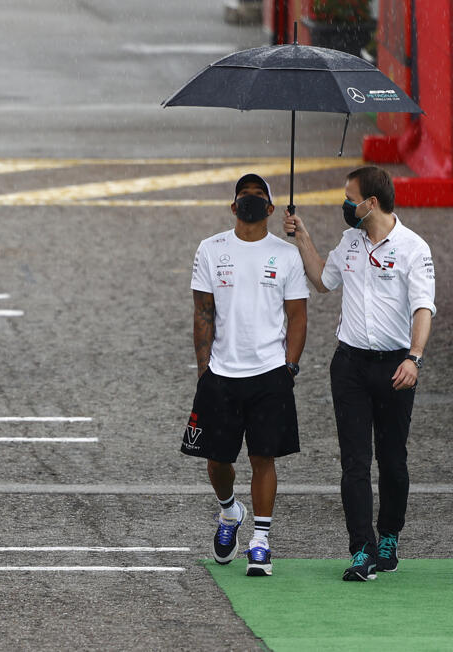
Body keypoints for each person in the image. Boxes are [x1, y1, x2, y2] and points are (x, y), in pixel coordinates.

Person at [283, 166, 435, 581]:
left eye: (350, 197)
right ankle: (361, 550)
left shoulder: (413, 249)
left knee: (392, 459)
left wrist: (414, 358)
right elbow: (321, 281)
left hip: (395, 367)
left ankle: (389, 535)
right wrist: (303, 238)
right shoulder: (350, 242)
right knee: (354, 463)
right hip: (349, 365)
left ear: (371, 203)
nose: (345, 203)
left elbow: (424, 308)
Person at [181, 173, 308, 577]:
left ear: (272, 209)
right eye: (244, 196)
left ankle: (261, 541)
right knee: (217, 463)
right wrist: (205, 371)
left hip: (270, 373)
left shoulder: (286, 255)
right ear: (233, 206)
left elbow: (298, 316)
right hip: (221, 374)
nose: (250, 201)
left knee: (262, 458)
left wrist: (288, 367)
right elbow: (203, 312)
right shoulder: (211, 249)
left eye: (258, 196)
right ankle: (229, 512)